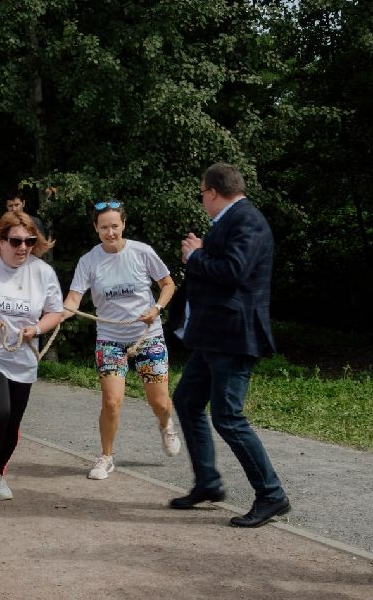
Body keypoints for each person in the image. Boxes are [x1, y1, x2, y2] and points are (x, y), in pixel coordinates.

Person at [168, 163, 290, 528]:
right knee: (187, 401)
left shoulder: (247, 220)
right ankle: (208, 482)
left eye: (202, 193)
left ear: (213, 191)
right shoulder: (230, 221)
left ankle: (272, 494)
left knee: (228, 416)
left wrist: (195, 256)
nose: (202, 200)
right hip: (213, 336)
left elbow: (234, 270)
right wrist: (204, 252)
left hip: (234, 336)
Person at [63, 200, 181, 480]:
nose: (110, 232)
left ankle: (166, 425)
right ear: (96, 229)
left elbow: (168, 284)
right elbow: (73, 299)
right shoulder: (89, 261)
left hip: (147, 336)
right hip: (110, 339)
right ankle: (106, 457)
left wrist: (156, 309)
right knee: (112, 402)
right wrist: (59, 314)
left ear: (123, 224)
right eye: (104, 227)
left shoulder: (142, 252)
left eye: (114, 226)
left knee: (160, 402)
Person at [0, 209, 66, 509]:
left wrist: (36, 329)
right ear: (1, 240)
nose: (23, 248)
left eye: (29, 241)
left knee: (13, 422)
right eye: (16, 241)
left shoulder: (42, 272)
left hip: (23, 357)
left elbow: (55, 312)